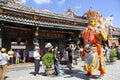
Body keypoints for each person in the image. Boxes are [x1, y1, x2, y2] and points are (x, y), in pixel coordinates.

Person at [80, 10, 108, 78]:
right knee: (87, 59)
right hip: (88, 47)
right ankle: (89, 72)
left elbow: (105, 38)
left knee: (99, 60)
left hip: (97, 46)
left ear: (96, 21)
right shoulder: (87, 29)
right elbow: (84, 37)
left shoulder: (98, 28)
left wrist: (99, 33)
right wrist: (84, 33)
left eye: (93, 21)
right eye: (91, 21)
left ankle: (102, 72)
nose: (92, 22)